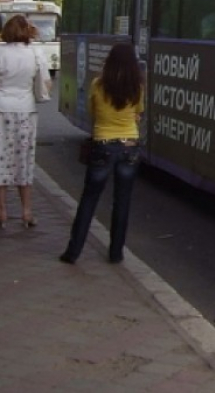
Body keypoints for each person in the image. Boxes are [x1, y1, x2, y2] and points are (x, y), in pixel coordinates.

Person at [60, 43, 144, 264]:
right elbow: (138, 113)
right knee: (122, 201)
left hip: (103, 145)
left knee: (89, 199)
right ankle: (116, 253)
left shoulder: (98, 85)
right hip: (129, 147)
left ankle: (73, 251)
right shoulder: (137, 87)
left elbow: (92, 112)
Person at [0, 14, 51, 228]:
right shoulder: (36, 53)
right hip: (25, 111)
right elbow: (46, 85)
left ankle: (1, 212)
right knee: (24, 161)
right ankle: (27, 212)